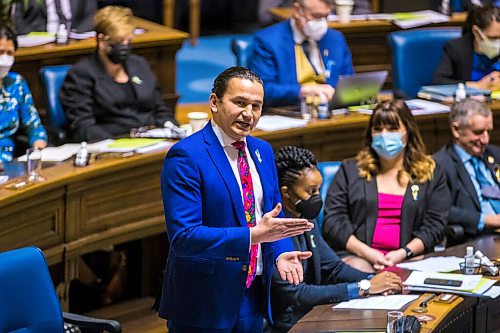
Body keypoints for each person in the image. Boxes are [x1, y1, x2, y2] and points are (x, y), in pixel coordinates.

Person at [157, 67, 315, 333]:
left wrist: (280, 252)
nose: (248, 114)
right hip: (204, 301)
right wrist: (253, 236)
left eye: (256, 106)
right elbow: (184, 238)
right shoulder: (186, 156)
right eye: (240, 103)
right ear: (214, 102)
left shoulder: (262, 150)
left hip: (253, 291)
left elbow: (271, 219)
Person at [270, 145, 403, 332]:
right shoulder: (273, 229)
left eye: (318, 189)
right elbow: (298, 293)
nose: (317, 197)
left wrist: (377, 280)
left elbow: (333, 267)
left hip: (316, 313)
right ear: (286, 193)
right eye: (311, 191)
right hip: (290, 323)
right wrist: (364, 287)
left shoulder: (306, 217)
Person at [322, 100, 450, 273]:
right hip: (360, 258)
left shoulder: (430, 173)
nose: (384, 135)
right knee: (360, 273)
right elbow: (334, 222)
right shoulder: (351, 170)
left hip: (410, 257)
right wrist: (369, 254)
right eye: (378, 129)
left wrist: (404, 253)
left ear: (408, 131)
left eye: (392, 129)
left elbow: (435, 225)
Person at [60, 6, 176, 142]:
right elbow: (83, 126)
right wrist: (116, 147)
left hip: (152, 140)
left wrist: (171, 127)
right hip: (112, 144)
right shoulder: (81, 74)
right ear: (102, 41)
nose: (125, 46)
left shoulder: (139, 64)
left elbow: (160, 107)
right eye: (119, 41)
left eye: (128, 41)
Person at [248, 0, 353, 107]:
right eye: (316, 16)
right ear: (297, 10)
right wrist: (305, 90)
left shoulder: (335, 39)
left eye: (326, 16)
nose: (322, 23)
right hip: (290, 111)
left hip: (333, 112)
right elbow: (263, 90)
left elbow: (349, 83)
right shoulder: (268, 41)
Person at [434, 98, 499, 241]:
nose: (485, 140)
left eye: (488, 131)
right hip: (478, 239)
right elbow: (442, 210)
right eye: (478, 132)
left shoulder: (495, 154)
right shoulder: (441, 165)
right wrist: (489, 220)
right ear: (456, 130)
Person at [0, 24, 47, 163]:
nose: (4, 59)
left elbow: (33, 124)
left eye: (10, 53)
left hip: (10, 161)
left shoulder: (16, 83)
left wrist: (38, 145)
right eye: (0, 52)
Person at [432, 4, 500, 90]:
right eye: (493, 38)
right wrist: (475, 86)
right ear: (477, 32)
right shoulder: (456, 49)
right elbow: (438, 81)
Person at [13, 0, 97, 35]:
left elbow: (91, 14)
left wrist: (76, 34)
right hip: (40, 43)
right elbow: (17, 19)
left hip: (74, 41)